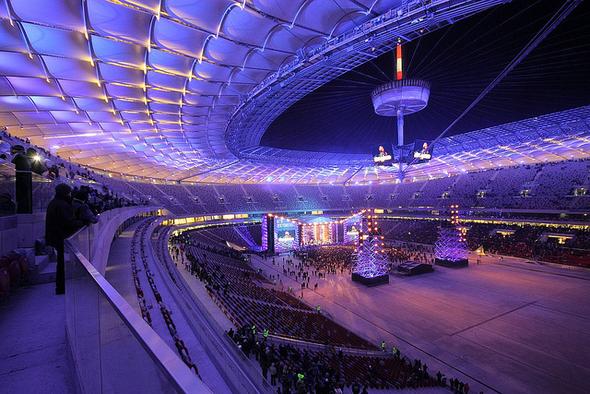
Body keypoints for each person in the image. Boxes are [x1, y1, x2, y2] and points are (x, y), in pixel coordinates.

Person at [45, 184, 83, 294]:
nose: (70, 195)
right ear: (65, 193)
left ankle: (60, 287)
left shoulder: (53, 203)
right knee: (62, 264)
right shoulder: (62, 205)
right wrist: (82, 222)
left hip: (55, 237)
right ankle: (61, 288)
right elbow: (69, 223)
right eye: (69, 192)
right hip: (61, 238)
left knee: (61, 263)